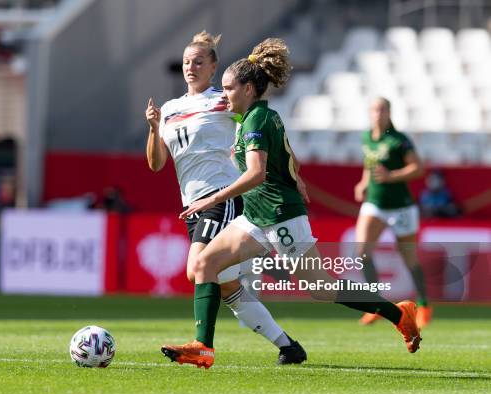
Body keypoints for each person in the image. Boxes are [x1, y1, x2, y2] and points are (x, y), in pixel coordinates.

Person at [161, 38, 422, 369]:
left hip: (280, 216)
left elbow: (255, 174)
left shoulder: (256, 120)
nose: (223, 95)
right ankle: (203, 347)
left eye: (229, 88)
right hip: (256, 215)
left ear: (249, 88)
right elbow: (281, 155)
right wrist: (293, 173)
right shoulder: (250, 117)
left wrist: (212, 199)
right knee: (204, 265)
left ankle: (398, 313)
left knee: (321, 288)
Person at [146, 31, 306, 365]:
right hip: (192, 204)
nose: (191, 67)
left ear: (213, 67)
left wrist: (294, 174)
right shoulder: (172, 109)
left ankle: (203, 345)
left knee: (198, 270)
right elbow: (157, 164)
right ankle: (288, 346)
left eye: (199, 62)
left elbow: (262, 129)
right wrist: (153, 127)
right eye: (187, 61)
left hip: (221, 196)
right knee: (226, 286)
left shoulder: (224, 101)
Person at [354, 97, 431, 328]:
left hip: (401, 207)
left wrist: (391, 176)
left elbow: (418, 169)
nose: (378, 113)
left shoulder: (399, 140)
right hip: (375, 204)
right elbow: (370, 164)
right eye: (374, 109)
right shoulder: (366, 137)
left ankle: (424, 305)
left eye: (382, 109)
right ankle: (377, 305)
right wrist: (364, 182)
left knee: (409, 257)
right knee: (362, 253)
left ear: (389, 112)